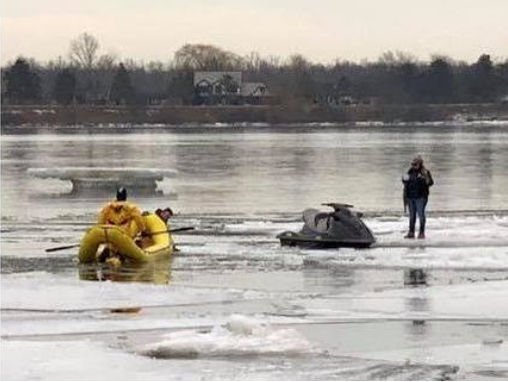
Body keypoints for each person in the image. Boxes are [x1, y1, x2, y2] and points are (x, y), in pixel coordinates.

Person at [402, 156, 434, 239]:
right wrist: (404, 179)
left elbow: (430, 183)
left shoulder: (425, 172)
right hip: (410, 197)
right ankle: (411, 232)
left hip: (421, 197)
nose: (413, 166)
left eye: (415, 164)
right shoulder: (410, 171)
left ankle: (421, 233)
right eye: (412, 164)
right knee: (412, 216)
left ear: (420, 164)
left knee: (421, 215)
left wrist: (425, 177)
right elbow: (405, 182)